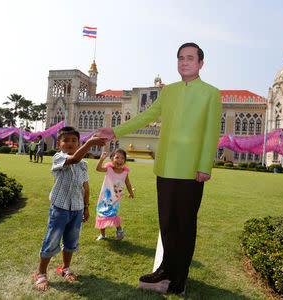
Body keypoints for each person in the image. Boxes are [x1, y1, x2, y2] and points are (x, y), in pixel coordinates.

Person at [97, 42, 222, 295]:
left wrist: (204, 165)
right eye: (180, 58)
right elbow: (145, 116)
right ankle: (165, 268)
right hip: (165, 167)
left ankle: (179, 277)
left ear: (200, 63)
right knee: (166, 224)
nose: (184, 62)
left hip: (191, 171)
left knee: (185, 225)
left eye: (189, 58)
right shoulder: (168, 92)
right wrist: (115, 131)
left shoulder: (211, 93)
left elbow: (211, 133)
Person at [34, 126, 106, 291]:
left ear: (78, 143)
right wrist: (89, 144)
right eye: (65, 140)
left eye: (74, 140)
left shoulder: (83, 164)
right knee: (52, 240)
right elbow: (72, 159)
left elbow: (85, 187)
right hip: (60, 207)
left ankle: (65, 268)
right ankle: (41, 273)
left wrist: (86, 207)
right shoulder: (58, 157)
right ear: (58, 143)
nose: (70, 143)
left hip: (77, 208)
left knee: (71, 241)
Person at [95, 149, 134, 241]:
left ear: (124, 161)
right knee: (101, 213)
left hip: (115, 199)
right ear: (112, 159)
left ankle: (120, 232)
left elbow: (128, 183)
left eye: (122, 158)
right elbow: (98, 169)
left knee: (112, 214)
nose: (119, 160)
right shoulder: (109, 169)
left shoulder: (125, 173)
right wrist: (101, 159)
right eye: (117, 157)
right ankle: (103, 235)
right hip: (105, 197)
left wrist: (131, 192)